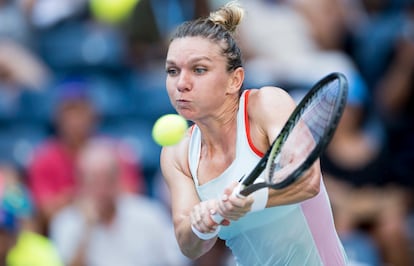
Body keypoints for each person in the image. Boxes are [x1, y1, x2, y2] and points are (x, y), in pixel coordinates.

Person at [160, 2, 347, 265]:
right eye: (172, 71)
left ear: (234, 80)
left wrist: (250, 200)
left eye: (199, 69)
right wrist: (204, 222)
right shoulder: (177, 154)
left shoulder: (267, 105)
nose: (181, 83)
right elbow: (188, 244)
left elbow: (307, 180)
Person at [49, 138, 188, 266]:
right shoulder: (66, 222)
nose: (101, 189)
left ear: (118, 179)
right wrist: (87, 229)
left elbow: (175, 260)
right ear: (81, 183)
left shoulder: (149, 215)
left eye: (107, 180)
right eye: (93, 181)